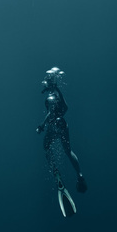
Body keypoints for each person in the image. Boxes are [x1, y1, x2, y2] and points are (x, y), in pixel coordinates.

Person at [36, 67, 87, 216]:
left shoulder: (55, 94)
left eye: (46, 84)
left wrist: (43, 125)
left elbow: (59, 109)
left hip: (57, 126)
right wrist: (43, 124)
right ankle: (78, 175)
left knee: (52, 148)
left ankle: (61, 174)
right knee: (64, 150)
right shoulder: (54, 94)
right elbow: (56, 111)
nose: (44, 86)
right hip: (59, 125)